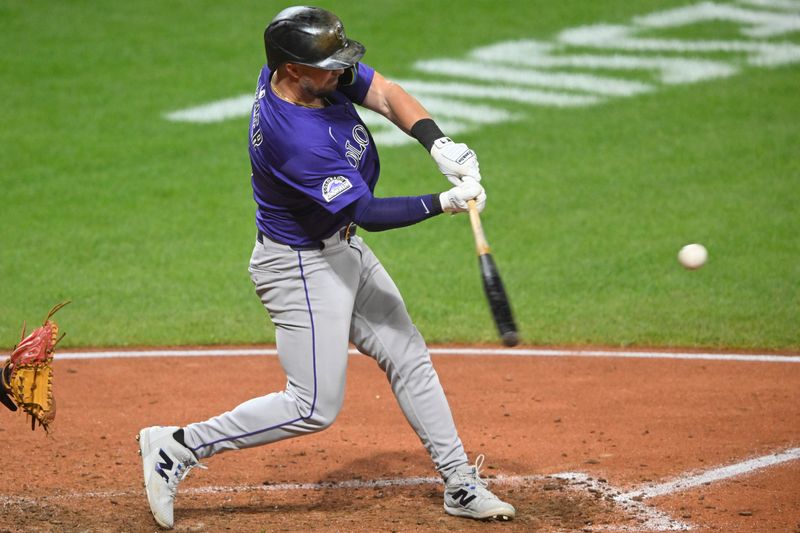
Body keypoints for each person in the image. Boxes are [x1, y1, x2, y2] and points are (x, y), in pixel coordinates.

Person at [137, 6, 515, 529]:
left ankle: (459, 483)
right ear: (292, 69)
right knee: (313, 405)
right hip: (300, 268)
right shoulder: (295, 137)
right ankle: (176, 446)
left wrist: (438, 142)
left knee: (408, 354)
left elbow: (384, 92)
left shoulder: (308, 74)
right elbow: (366, 212)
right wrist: (444, 202)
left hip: (339, 248)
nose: (341, 72)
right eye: (329, 65)